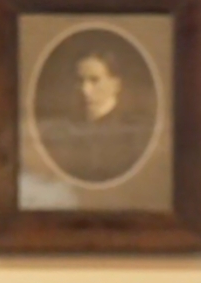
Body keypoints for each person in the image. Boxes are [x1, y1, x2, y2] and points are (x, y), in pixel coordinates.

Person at [35, 37, 157, 185]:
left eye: (94, 80)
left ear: (116, 84)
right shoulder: (59, 132)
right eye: (79, 80)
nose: (85, 90)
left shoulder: (139, 133)